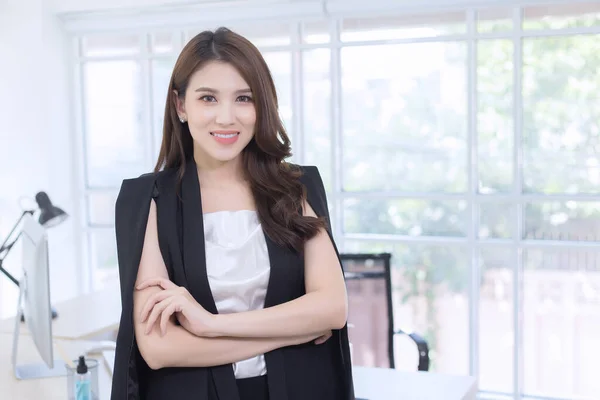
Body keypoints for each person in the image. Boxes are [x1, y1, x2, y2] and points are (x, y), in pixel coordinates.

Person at [110, 27, 355, 400]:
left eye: (244, 98)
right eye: (208, 98)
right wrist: (298, 330)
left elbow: (333, 309)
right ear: (181, 106)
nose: (227, 117)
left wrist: (209, 326)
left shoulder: (296, 188)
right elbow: (159, 349)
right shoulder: (149, 199)